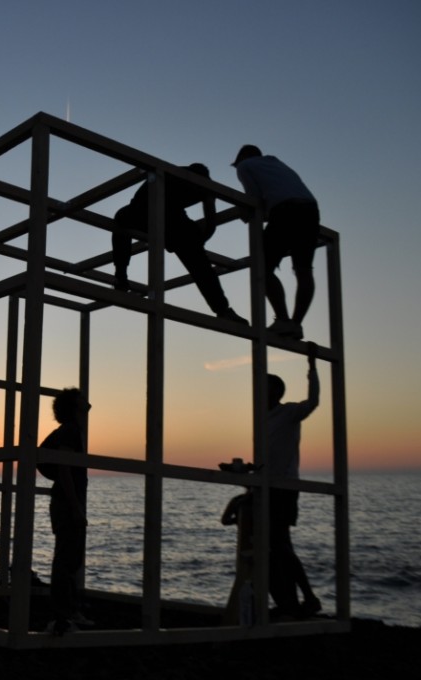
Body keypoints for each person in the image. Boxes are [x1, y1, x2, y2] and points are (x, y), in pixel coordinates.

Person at [112, 163, 248, 325]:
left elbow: (138, 202)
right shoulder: (201, 185)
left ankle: (121, 277)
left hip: (149, 214)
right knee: (200, 264)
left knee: (120, 217)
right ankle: (222, 309)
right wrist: (197, 241)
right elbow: (211, 223)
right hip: (162, 215)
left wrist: (195, 241)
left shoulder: (172, 174)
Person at [233, 145, 321, 340]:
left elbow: (253, 198)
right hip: (310, 210)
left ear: (241, 159)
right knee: (304, 270)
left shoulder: (245, 165)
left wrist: (245, 213)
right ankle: (296, 325)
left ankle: (282, 319)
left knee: (262, 268)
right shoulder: (277, 164)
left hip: (285, 211)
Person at [266, 343, 322, 618]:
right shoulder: (261, 419)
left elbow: (313, 402)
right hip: (267, 487)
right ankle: (289, 599)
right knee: (273, 545)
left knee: (280, 544)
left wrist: (312, 367)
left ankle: (308, 597)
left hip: (284, 487)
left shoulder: (288, 413)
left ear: (275, 392)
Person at [38, 387, 92, 635]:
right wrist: (75, 507)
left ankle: (69, 611)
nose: (88, 403)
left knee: (70, 557)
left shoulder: (70, 431)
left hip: (67, 500)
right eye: (82, 399)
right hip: (67, 502)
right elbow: (64, 470)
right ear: (74, 406)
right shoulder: (70, 431)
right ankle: (62, 616)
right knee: (66, 558)